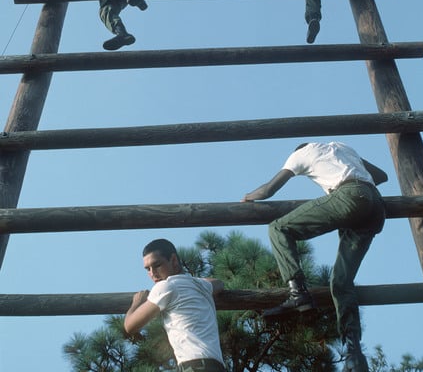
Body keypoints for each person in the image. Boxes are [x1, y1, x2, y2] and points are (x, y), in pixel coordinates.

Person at [241, 141, 388, 372]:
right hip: (376, 207)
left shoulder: (300, 154)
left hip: (348, 196)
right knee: (341, 282)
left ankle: (298, 293)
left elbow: (268, 190)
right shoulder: (342, 147)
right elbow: (381, 176)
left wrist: (248, 197)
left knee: (278, 229)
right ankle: (354, 353)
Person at [124, 238, 226, 372]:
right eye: (147, 269)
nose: (152, 273)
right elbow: (219, 283)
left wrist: (136, 303)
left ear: (173, 260)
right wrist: (195, 281)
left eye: (157, 265)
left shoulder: (166, 286)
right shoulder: (199, 285)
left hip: (194, 365)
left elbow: (130, 326)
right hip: (216, 366)